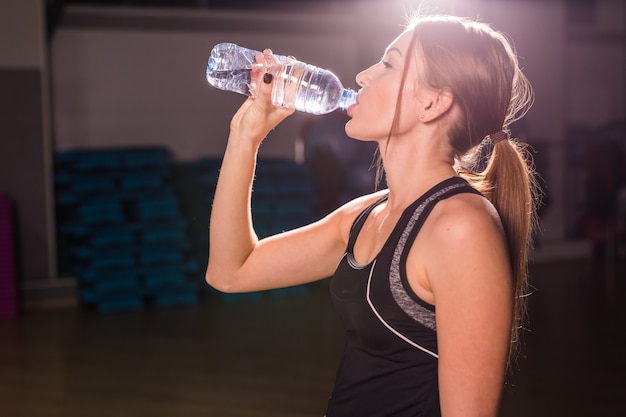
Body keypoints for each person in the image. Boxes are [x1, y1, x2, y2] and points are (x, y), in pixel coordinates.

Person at [206, 12, 538, 417]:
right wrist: (245, 136)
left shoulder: (459, 227)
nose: (362, 76)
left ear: (432, 102)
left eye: (389, 64)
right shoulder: (366, 215)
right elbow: (230, 270)